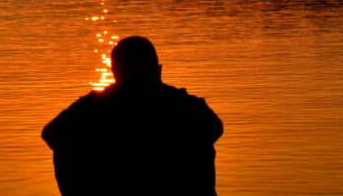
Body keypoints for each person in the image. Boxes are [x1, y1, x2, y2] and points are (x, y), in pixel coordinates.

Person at [41, 36, 223, 196]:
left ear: (115, 72)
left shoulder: (95, 104)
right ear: (158, 69)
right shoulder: (187, 104)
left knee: (65, 147)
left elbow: (51, 134)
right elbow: (215, 128)